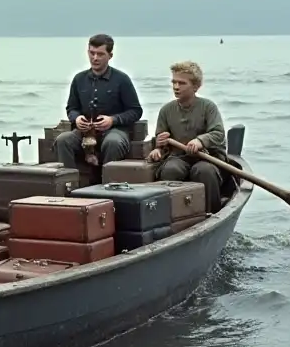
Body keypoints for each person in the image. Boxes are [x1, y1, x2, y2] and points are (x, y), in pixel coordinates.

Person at [146, 60, 231, 213]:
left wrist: (200, 141)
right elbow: (161, 139)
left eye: (182, 83)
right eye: (174, 82)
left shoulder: (208, 107)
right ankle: (170, 216)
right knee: (170, 170)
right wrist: (158, 147)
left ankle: (211, 212)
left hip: (208, 158)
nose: (176, 87)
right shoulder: (166, 110)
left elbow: (218, 134)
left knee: (203, 171)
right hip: (179, 158)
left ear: (196, 86)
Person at [55, 33, 143, 171]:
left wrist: (112, 120)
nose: (95, 58)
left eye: (100, 54)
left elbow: (136, 111)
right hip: (84, 133)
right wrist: (76, 118)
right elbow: (71, 108)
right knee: (63, 140)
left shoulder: (122, 79)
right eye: (92, 53)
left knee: (113, 142)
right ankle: (68, 183)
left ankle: (106, 186)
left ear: (110, 56)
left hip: (115, 131)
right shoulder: (79, 79)